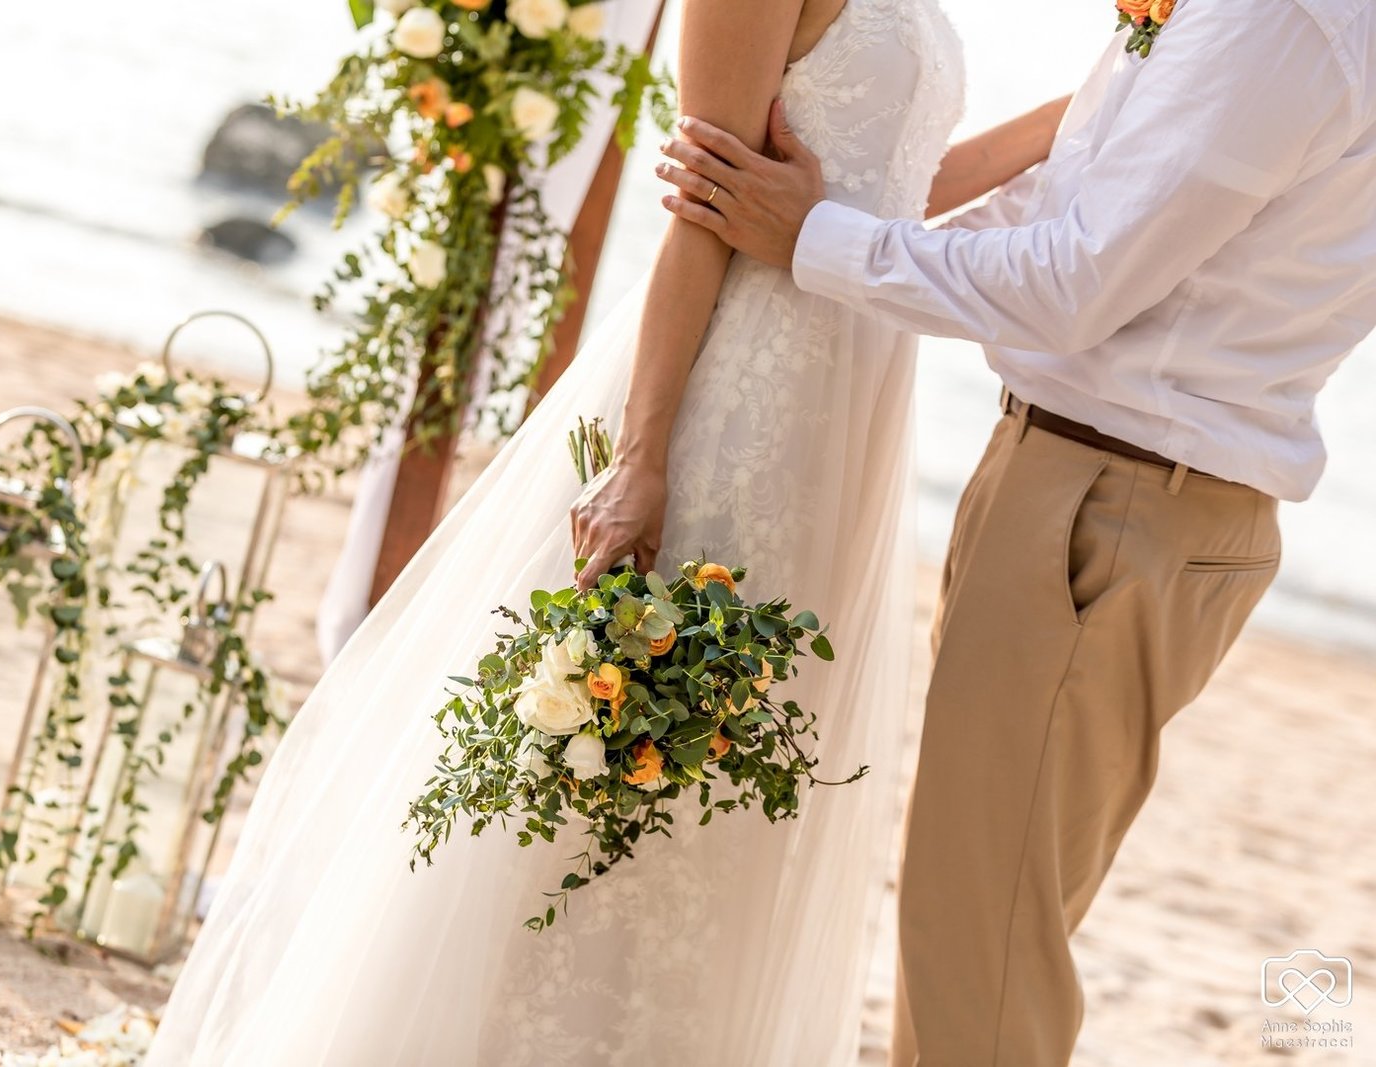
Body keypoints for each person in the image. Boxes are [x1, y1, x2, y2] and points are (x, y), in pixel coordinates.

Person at [148, 0, 1067, 1061]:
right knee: (613, 766)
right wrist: (641, 457)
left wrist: (1084, 108)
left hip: (843, 420)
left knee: (730, 789)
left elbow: (896, 192)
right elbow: (698, 208)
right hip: (738, 401)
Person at [656, 0, 1376, 1062]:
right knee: (982, 927)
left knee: (977, 953)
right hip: (1114, 490)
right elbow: (1068, 210)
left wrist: (816, 238)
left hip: (1109, 500)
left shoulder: (1277, 22)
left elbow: (1072, 286)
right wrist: (849, 240)